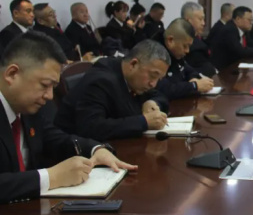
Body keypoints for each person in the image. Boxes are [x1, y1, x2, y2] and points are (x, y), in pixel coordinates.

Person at [0, 31, 136, 204]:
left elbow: (57, 139)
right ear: (12, 74)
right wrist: (51, 177)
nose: (50, 96)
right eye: (44, 85)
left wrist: (96, 149)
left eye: (53, 87)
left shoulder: (27, 109)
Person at [54, 40, 170, 141]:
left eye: (158, 79)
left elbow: (159, 95)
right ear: (133, 64)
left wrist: (151, 102)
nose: (153, 84)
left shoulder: (134, 78)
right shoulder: (102, 81)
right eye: (153, 76)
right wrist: (143, 122)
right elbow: (91, 128)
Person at [154, 18, 214, 99]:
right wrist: (194, 86)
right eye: (185, 46)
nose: (187, 51)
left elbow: (189, 70)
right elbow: (166, 89)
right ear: (170, 40)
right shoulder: (155, 55)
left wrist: (194, 79)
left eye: (189, 46)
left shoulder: (175, 53)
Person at [181, 1, 217, 77]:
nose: (203, 23)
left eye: (203, 19)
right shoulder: (189, 44)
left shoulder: (198, 38)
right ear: (188, 21)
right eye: (200, 19)